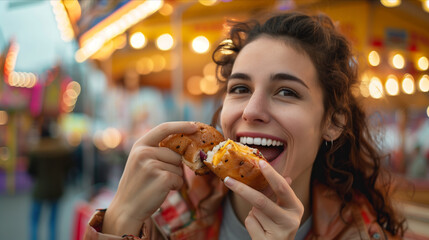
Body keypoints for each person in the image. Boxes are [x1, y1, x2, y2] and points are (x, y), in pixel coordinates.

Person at [84, 12, 406, 239]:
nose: (252, 111)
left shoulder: (363, 233)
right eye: (240, 89)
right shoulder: (164, 217)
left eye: (286, 92)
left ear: (333, 123)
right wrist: (119, 219)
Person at [28, 118, 72, 240]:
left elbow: (31, 171)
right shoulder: (62, 151)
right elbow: (68, 168)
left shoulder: (35, 151)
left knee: (35, 220)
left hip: (39, 189)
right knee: (53, 221)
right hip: (56, 188)